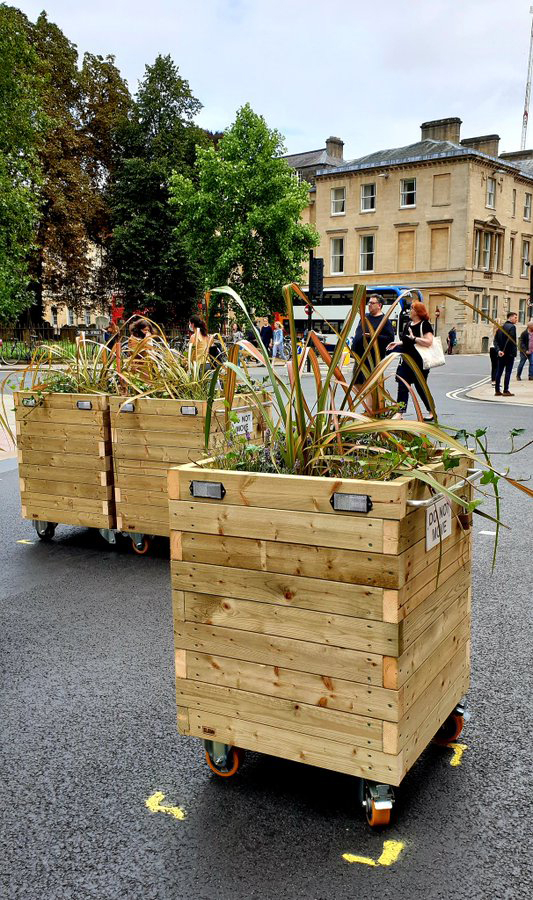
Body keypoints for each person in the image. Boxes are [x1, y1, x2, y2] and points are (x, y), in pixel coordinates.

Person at [386, 300, 435, 421]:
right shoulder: (408, 324)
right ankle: (400, 412)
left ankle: (431, 411)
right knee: (402, 385)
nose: (410, 310)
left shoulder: (425, 324)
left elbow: (429, 342)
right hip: (406, 360)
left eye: (412, 308)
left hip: (419, 362)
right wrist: (397, 343)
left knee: (421, 388)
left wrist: (414, 339)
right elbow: (407, 340)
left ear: (418, 312)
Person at [351, 295, 395, 384]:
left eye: (372, 303)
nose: (369, 305)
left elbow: (390, 339)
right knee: (356, 383)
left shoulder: (384, 320)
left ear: (379, 305)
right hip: (359, 357)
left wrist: (373, 336)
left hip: (372, 360)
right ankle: (363, 398)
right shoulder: (365, 317)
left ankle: (371, 398)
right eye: (369, 302)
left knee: (369, 385)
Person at [494, 311, 518, 396]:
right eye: (515, 317)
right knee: (508, 372)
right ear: (510, 317)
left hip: (501, 354)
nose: (516, 319)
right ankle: (505, 390)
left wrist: (499, 351)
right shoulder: (512, 327)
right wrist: (504, 351)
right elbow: (510, 341)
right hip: (509, 354)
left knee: (499, 371)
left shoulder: (500, 327)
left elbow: (495, 341)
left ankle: (497, 390)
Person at [489, 320, 501, 384]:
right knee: (498, 365)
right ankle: (496, 380)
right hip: (497, 349)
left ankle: (493, 380)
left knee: (493, 365)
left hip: (491, 348)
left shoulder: (491, 330)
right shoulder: (499, 331)